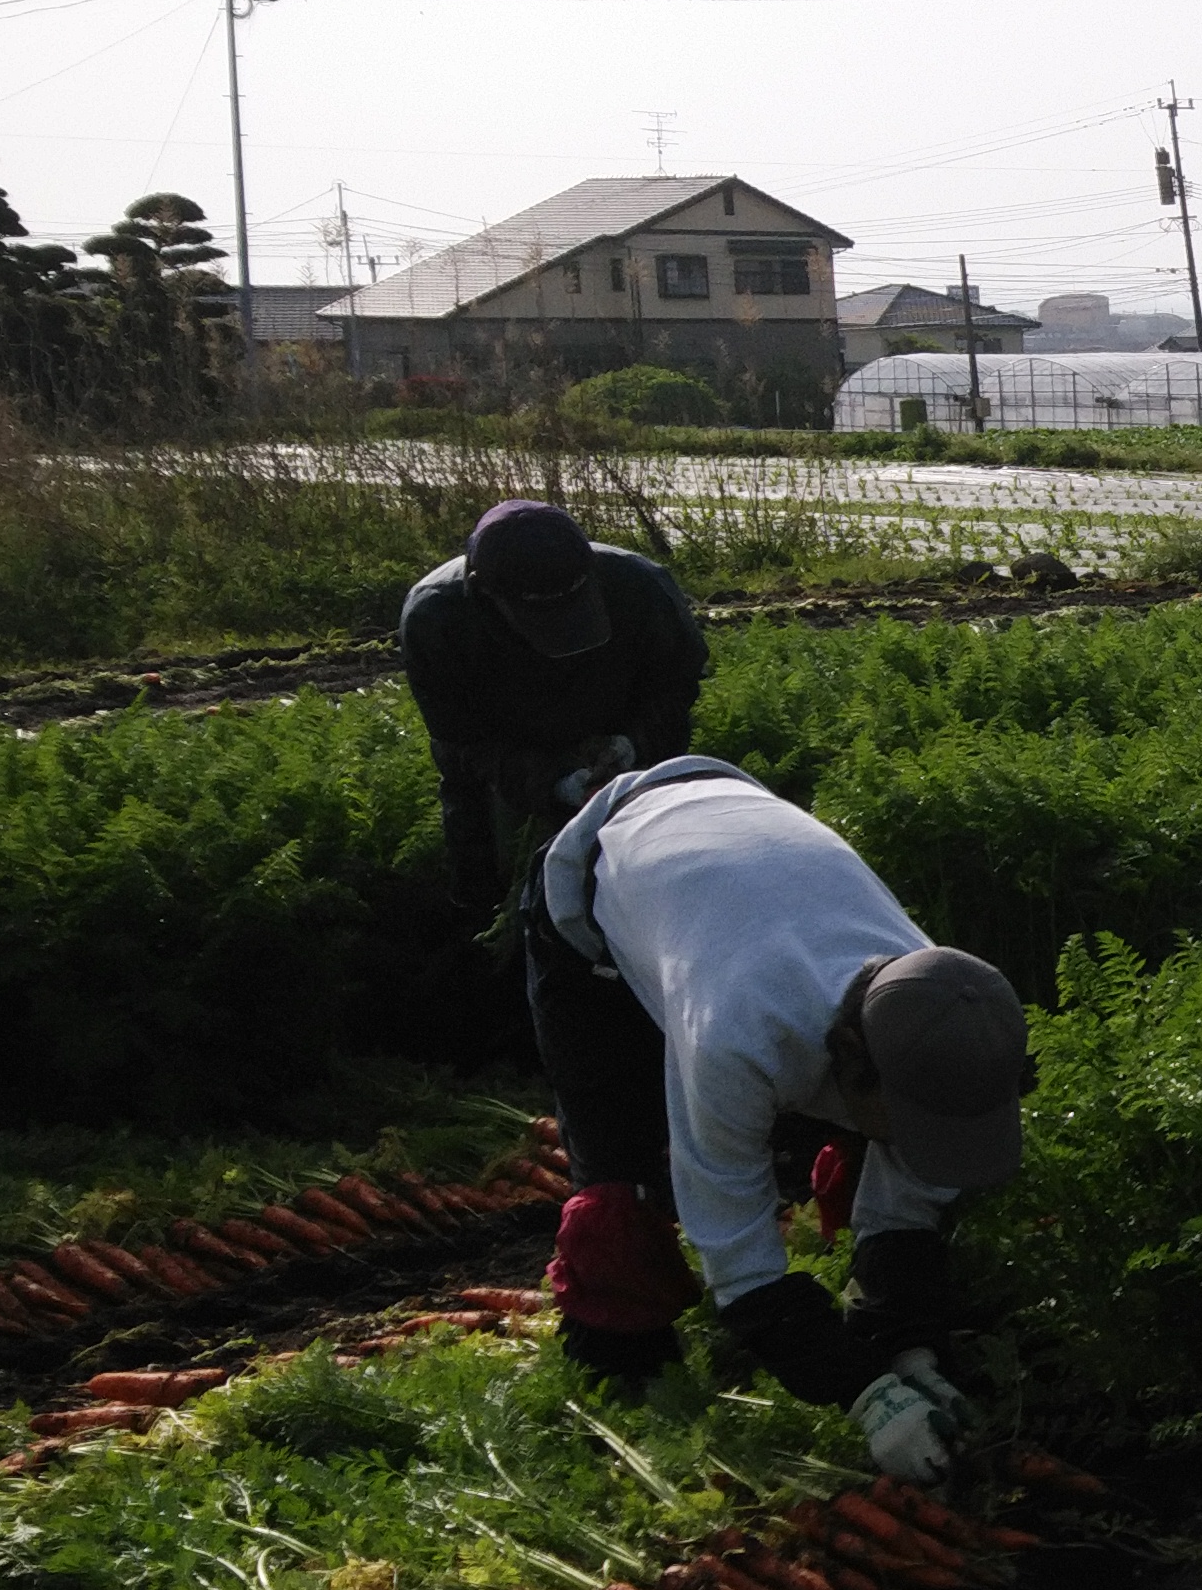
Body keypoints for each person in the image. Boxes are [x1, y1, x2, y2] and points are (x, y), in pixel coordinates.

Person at [530, 758, 1024, 1483]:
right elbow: (736, 1253)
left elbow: (911, 1192)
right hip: (597, 885)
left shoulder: (934, 996)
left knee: (862, 1146)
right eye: (906, 1119)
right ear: (855, 1072)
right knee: (621, 1186)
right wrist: (860, 1391)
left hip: (737, 845)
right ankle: (627, 1394)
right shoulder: (736, 1035)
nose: (916, 1143)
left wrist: (907, 1342)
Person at [396, 498, 713, 924]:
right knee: (497, 902)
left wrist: (630, 744)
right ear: (484, 590)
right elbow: (460, 743)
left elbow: (675, 686)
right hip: (505, 773)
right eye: (539, 616)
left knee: (647, 894)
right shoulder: (437, 618)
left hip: (625, 767)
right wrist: (556, 782)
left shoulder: (641, 589)